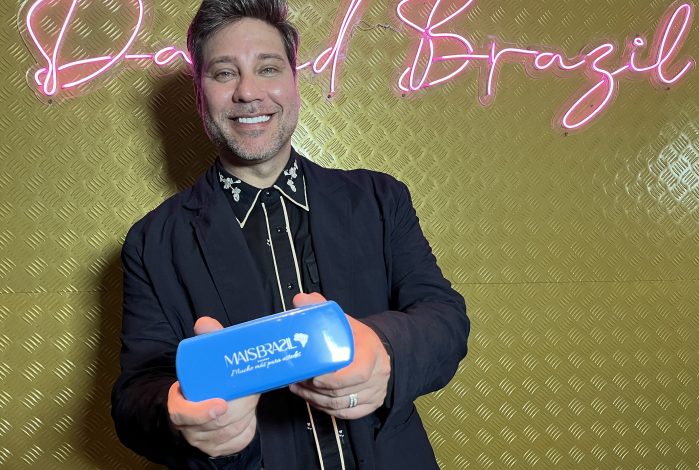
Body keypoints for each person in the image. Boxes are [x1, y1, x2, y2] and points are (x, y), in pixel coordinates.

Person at [111, 0, 469, 468]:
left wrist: (385, 350)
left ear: (294, 81)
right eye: (224, 73)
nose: (248, 92)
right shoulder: (153, 241)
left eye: (268, 68)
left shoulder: (380, 200)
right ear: (200, 94)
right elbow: (135, 394)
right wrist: (182, 416)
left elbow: (445, 317)